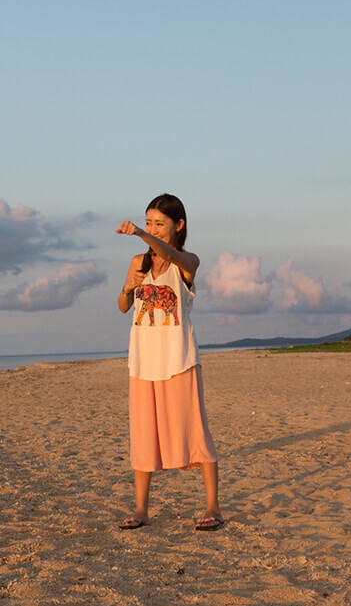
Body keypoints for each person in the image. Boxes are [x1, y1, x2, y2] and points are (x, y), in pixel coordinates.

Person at [115, 193, 223, 532]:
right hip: (143, 363)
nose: (152, 229)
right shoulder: (138, 262)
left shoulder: (187, 262)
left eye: (159, 224)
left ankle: (213, 507)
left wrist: (140, 235)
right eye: (148, 223)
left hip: (179, 361)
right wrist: (128, 287)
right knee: (143, 436)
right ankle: (142, 509)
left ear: (179, 225)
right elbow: (122, 307)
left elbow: (171, 253)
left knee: (195, 432)